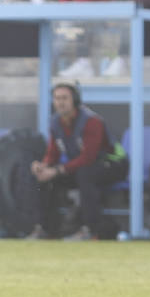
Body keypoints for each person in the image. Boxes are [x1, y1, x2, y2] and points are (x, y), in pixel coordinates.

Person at [28, 81, 127, 240]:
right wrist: (44, 166)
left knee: (85, 174)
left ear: (75, 100)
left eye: (65, 98)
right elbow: (53, 153)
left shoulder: (91, 121)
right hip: (83, 167)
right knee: (44, 179)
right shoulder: (55, 122)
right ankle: (45, 229)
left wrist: (57, 170)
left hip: (113, 164)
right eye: (57, 98)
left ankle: (91, 230)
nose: (60, 102)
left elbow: (88, 157)